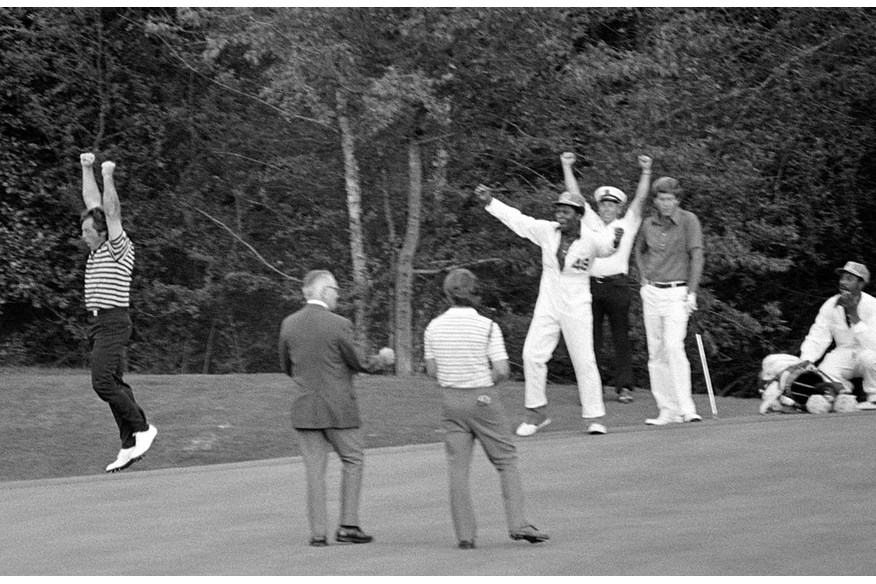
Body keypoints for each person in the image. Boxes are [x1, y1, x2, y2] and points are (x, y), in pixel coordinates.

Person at [474, 183, 623, 437]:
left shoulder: (591, 238)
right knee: (532, 354)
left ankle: (595, 417)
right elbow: (519, 221)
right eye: (559, 210)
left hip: (577, 302)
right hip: (549, 299)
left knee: (584, 359)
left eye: (566, 212)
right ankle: (536, 412)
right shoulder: (547, 231)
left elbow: (607, 247)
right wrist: (491, 202)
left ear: (578, 215)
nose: (560, 215)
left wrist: (616, 240)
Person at [424, 268, 549, 549]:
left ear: (448, 294)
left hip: (450, 400)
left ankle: (465, 536)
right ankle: (518, 523)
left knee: (457, 468)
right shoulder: (488, 326)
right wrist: (484, 381)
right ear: (475, 293)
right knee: (506, 460)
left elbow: (432, 370)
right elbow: (502, 370)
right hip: (482, 399)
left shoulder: (433, 327)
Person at [278, 270, 395, 547]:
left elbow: (286, 366)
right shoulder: (338, 324)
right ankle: (348, 526)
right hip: (339, 408)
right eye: (335, 289)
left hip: (306, 408)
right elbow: (359, 363)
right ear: (322, 292)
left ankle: (318, 533)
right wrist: (383, 359)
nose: (338, 295)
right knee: (353, 460)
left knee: (314, 472)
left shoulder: (289, 324)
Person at [79, 152, 157, 473]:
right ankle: (128, 444)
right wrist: (86, 168)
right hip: (98, 324)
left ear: (102, 232)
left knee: (101, 382)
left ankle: (142, 428)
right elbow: (93, 202)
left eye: (87, 231)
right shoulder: (97, 250)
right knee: (113, 380)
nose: (83, 236)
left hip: (113, 322)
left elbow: (110, 211)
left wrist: (108, 175)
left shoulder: (117, 246)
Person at [561, 152, 653, 404]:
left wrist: (646, 171)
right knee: (591, 339)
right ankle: (593, 389)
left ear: (618, 207)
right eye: (603, 204)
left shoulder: (628, 223)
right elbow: (575, 195)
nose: (607, 208)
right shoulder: (589, 221)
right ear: (599, 206)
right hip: (590, 286)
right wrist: (566, 166)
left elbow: (641, 198)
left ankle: (624, 388)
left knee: (621, 337)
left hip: (618, 285)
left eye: (611, 205)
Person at [633, 175, 704, 425]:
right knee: (656, 352)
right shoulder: (648, 223)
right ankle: (667, 409)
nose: (666, 203)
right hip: (652, 292)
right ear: (656, 200)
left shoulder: (688, 220)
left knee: (674, 347)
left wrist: (692, 292)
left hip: (677, 293)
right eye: (662, 199)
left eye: (670, 199)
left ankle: (687, 408)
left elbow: (697, 257)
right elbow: (638, 251)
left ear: (677, 200)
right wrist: (643, 277)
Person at [798, 261, 876, 410]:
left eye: (849, 279)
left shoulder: (873, 305)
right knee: (825, 369)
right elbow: (818, 335)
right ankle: (842, 395)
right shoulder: (831, 304)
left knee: (870, 358)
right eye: (842, 278)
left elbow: (873, 343)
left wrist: (854, 314)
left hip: (869, 352)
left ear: (860, 284)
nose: (842, 282)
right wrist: (807, 359)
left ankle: (874, 399)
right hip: (844, 352)